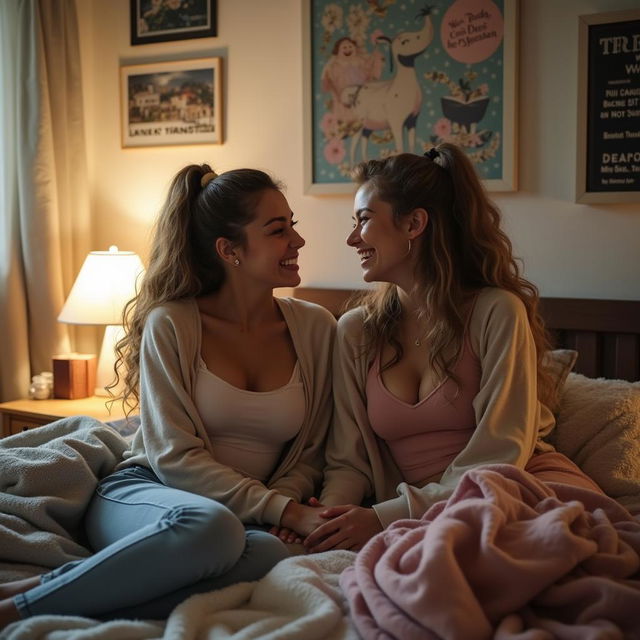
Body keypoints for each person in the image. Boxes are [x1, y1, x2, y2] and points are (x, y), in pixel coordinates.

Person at [0, 164, 335, 627]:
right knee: (212, 527)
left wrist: (281, 505)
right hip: (149, 493)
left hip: (247, 520)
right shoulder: (174, 323)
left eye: (292, 226)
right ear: (229, 250)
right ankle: (15, 611)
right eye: (279, 231)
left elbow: (311, 452)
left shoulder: (317, 327)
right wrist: (284, 509)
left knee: (270, 553)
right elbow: (172, 455)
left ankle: (59, 587)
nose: (297, 241)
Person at [305, 145, 603, 553]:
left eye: (364, 220)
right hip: (412, 512)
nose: (352, 238)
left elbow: (501, 451)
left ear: (414, 224)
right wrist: (328, 520)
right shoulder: (356, 331)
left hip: (508, 487)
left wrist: (384, 516)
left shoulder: (496, 311)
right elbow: (347, 459)